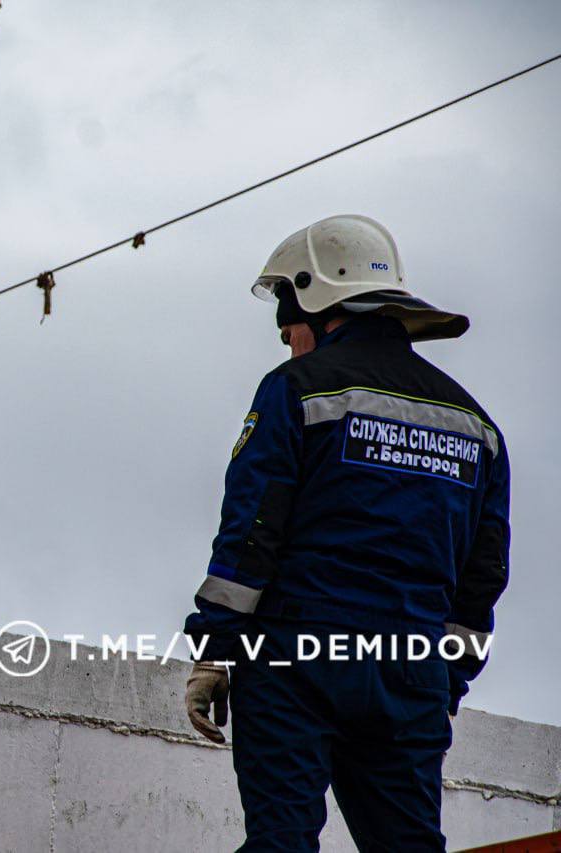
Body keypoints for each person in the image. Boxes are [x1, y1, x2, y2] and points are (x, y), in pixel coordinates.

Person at [181, 215, 510, 850]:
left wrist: (216, 648)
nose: (286, 341)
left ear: (314, 299)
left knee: (282, 841)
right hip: (411, 673)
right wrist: (445, 683)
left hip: (295, 662)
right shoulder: (477, 425)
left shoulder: (295, 390)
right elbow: (483, 575)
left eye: (288, 326)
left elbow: (250, 535)